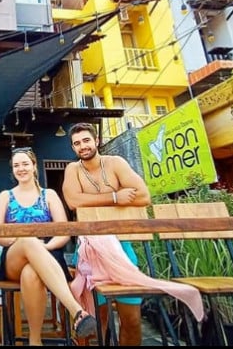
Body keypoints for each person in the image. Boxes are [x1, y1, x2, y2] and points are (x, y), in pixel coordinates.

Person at [0, 147, 97, 345]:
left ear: (33, 166)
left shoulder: (49, 195)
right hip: (14, 256)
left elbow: (63, 232)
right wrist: (23, 243)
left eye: (25, 164)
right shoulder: (6, 196)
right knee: (28, 240)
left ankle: (34, 340)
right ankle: (76, 311)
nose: (21, 168)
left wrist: (40, 250)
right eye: (16, 165)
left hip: (48, 254)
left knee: (31, 273)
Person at [62, 122, 151, 346]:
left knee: (131, 320)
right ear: (73, 148)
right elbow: (73, 201)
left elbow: (143, 196)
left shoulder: (115, 164)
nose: (82, 146)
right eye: (76, 143)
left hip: (121, 248)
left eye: (86, 140)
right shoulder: (73, 170)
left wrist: (93, 202)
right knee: (96, 318)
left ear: (96, 141)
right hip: (89, 250)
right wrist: (115, 197)